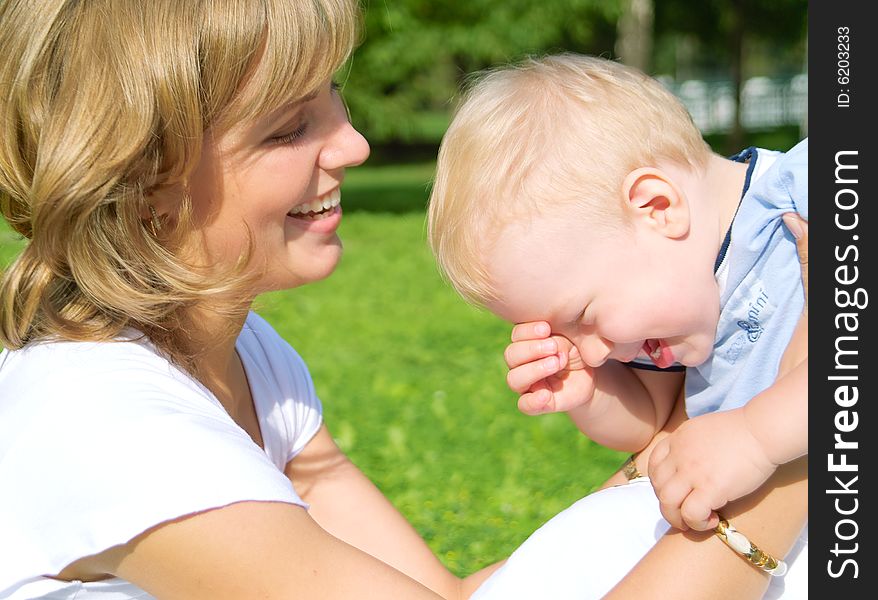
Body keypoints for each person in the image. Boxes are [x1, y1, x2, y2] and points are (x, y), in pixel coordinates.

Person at [0, 2, 499, 598]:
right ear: (141, 184)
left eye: (332, 94)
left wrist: (638, 470)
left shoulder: (252, 359)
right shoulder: (112, 426)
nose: (354, 145)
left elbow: (444, 592)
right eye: (289, 128)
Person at [428, 53, 808, 598]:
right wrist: (593, 394)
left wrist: (753, 438)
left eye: (582, 316)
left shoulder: (802, 194)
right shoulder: (673, 308)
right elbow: (652, 428)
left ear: (657, 207)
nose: (597, 349)